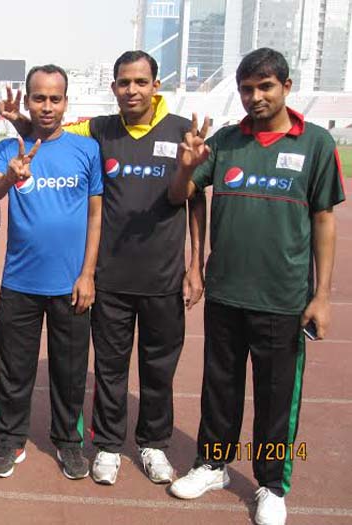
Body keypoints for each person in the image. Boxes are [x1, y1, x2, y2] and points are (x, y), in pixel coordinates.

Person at [0, 50, 207, 486]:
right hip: (108, 278)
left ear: (155, 86)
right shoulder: (98, 131)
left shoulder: (183, 132)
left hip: (163, 277)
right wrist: (18, 123)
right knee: (109, 370)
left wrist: (195, 266)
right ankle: (109, 445)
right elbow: (46, 133)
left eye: (141, 82)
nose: (132, 90)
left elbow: (190, 198)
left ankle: (153, 444)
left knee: (158, 370)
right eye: (124, 82)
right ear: (113, 87)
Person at [167, 48, 345, 525]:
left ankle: (271, 484)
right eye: (246, 88)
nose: (254, 96)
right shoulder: (224, 141)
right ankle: (212, 464)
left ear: (286, 86)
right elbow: (182, 196)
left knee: (275, 396)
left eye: (265, 86)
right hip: (225, 293)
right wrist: (186, 165)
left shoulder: (316, 144)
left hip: (284, 299)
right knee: (219, 389)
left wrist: (321, 297)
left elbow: (324, 220)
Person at [0, 64, 103, 480]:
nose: (47, 106)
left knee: (69, 374)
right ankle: (10, 441)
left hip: (70, 284)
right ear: (28, 101)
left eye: (55, 98)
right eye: (39, 97)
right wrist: (9, 179)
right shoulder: (8, 147)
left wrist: (88, 273)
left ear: (66, 102)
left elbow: (95, 212)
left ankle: (69, 442)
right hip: (20, 282)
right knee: (14, 370)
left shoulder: (85, 150)